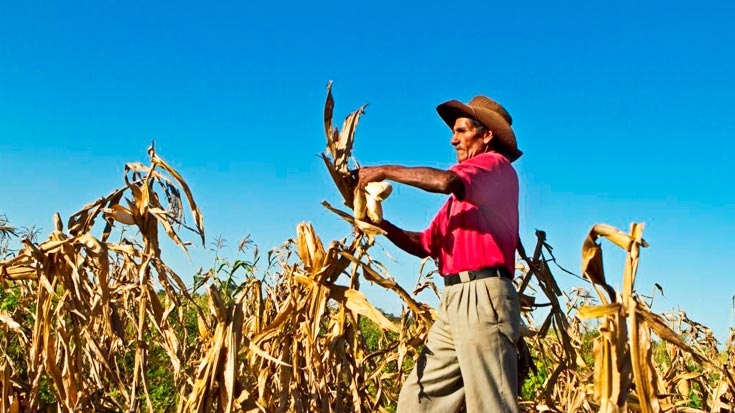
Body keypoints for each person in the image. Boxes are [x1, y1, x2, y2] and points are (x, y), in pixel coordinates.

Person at [355, 95, 523, 413]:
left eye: (461, 130)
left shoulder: (493, 166)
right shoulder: (459, 204)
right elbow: (422, 245)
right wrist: (376, 223)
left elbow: (445, 180)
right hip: (454, 301)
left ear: (486, 135)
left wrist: (383, 172)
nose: (453, 139)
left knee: (491, 405)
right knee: (418, 400)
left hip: (483, 296)